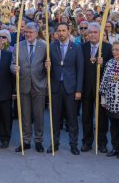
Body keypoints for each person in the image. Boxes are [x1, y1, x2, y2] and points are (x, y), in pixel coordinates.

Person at [11, 22, 47, 153]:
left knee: (39, 116)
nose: (27, 34)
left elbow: (47, 65)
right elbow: (12, 63)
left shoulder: (44, 47)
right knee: (25, 116)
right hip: (23, 85)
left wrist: (48, 66)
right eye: (26, 32)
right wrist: (14, 68)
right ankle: (25, 141)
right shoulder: (18, 46)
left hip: (39, 85)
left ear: (36, 33)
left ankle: (38, 140)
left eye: (30, 32)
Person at [48, 22, 84, 155]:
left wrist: (79, 90)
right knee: (55, 117)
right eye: (59, 31)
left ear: (68, 32)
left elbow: (80, 70)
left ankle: (73, 144)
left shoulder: (76, 48)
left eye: (64, 30)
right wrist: (47, 66)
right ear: (56, 33)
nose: (61, 33)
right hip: (56, 87)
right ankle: (54, 143)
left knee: (72, 118)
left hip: (71, 88)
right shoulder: (51, 47)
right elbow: (48, 69)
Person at [81, 22, 113, 153]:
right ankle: (87, 142)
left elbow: (112, 68)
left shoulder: (108, 48)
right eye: (91, 32)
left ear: (100, 34)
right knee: (86, 117)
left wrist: (103, 63)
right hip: (86, 87)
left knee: (102, 117)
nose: (93, 35)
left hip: (102, 89)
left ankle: (102, 143)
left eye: (95, 32)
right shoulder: (82, 47)